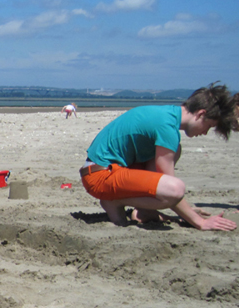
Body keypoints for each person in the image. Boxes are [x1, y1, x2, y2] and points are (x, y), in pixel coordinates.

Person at [80, 83, 237, 229]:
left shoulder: (166, 114)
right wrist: (200, 222)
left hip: (104, 170)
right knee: (175, 189)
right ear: (201, 114)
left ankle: (144, 210)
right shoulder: (167, 127)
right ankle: (114, 201)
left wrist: (188, 208)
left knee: (175, 150)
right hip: (100, 176)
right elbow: (170, 187)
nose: (205, 132)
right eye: (209, 126)